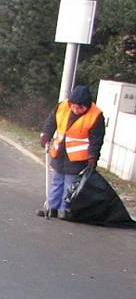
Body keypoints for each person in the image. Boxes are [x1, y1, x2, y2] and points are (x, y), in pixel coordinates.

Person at [38, 85, 105, 218]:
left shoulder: (96, 116)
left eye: (80, 107)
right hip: (59, 152)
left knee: (70, 185)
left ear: (87, 105)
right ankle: (52, 208)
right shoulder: (62, 107)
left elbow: (96, 139)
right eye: (73, 106)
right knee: (56, 181)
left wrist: (93, 157)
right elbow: (51, 122)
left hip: (78, 158)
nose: (76, 109)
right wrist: (46, 135)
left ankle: (65, 211)